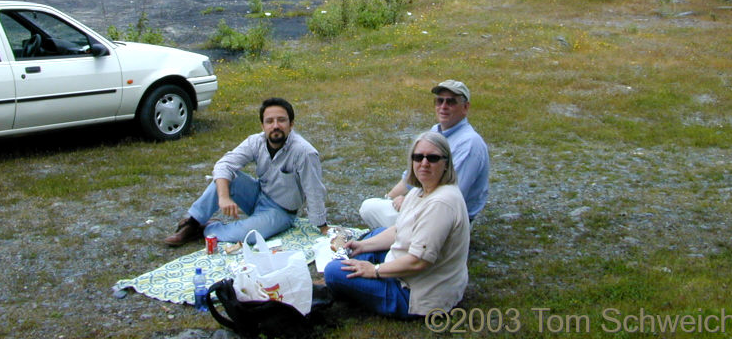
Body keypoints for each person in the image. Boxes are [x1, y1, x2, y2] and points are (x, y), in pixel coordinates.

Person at [324, 132, 469, 318]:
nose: (424, 163)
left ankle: (354, 272)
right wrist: (363, 246)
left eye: (432, 158)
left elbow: (419, 261)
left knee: (333, 272)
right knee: (375, 235)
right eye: (418, 157)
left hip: (416, 295)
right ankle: (357, 261)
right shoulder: (420, 191)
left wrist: (374, 271)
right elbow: (398, 230)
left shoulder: (441, 204)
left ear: (446, 163)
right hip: (410, 271)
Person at [164, 97, 328, 246]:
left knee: (250, 236)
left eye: (281, 120)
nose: (275, 126)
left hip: (281, 211)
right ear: (262, 126)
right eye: (269, 121)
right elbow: (224, 165)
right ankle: (192, 223)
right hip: (258, 195)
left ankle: (207, 229)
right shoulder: (256, 141)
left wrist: (322, 226)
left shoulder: (304, 152)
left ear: (291, 124)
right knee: (228, 178)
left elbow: (314, 190)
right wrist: (224, 197)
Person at [359, 80, 489, 229]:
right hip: (426, 206)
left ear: (465, 107)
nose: (443, 107)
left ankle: (413, 243)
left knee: (369, 208)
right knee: (372, 207)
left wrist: (409, 202)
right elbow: (411, 177)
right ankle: (398, 239)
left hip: (446, 220)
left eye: (451, 102)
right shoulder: (436, 131)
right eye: (439, 101)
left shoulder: (470, 144)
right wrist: (389, 199)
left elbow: (451, 196)